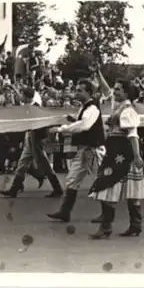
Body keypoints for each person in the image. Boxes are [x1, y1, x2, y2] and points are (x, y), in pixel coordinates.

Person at [88, 79, 144, 239]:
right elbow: (107, 91)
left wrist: (137, 156)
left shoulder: (127, 111)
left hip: (123, 154)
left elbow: (133, 135)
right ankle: (131, 226)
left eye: (118, 90)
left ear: (126, 93)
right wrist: (98, 75)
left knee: (114, 188)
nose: (115, 92)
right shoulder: (120, 107)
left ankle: (111, 227)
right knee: (118, 188)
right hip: (115, 152)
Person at [46, 79, 106, 222]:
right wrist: (73, 121)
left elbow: (84, 125)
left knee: (103, 180)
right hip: (85, 149)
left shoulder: (92, 108)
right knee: (72, 179)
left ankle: (107, 213)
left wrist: (62, 128)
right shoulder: (85, 108)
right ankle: (65, 212)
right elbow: (82, 123)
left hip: (93, 149)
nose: (76, 93)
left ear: (88, 92)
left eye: (80, 90)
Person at [0, 88, 63, 198]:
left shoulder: (35, 107)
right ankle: (14, 189)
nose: (21, 97)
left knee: (44, 164)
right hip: (30, 135)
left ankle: (57, 188)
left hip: (36, 137)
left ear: (27, 97)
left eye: (22, 95)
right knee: (22, 164)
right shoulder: (30, 107)